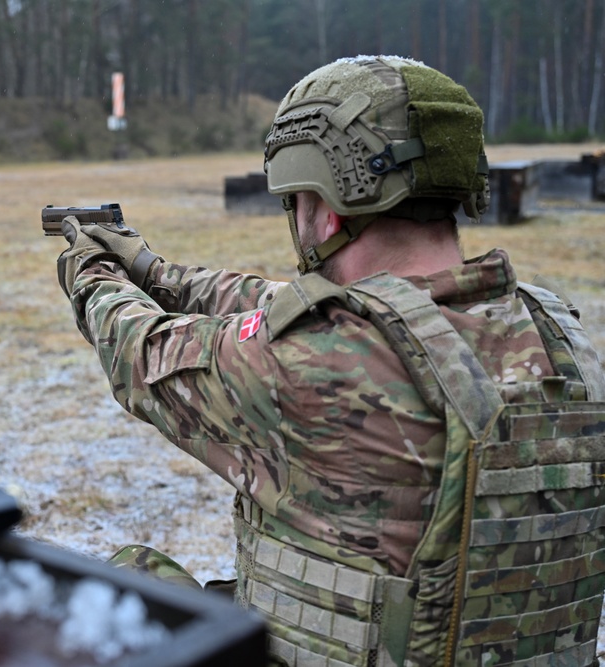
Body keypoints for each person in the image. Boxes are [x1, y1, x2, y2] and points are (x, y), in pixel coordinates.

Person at [54, 55, 605, 666]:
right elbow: (290, 305)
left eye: (295, 200)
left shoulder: (311, 364)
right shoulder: (561, 340)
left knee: (121, 586)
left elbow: (142, 355)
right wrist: (153, 269)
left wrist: (91, 270)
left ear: (328, 205)